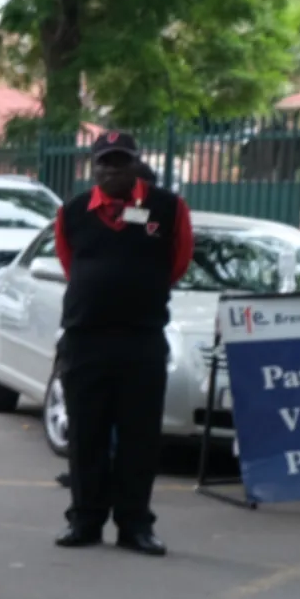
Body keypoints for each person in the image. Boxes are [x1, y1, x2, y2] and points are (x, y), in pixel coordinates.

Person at [54, 132, 192, 556]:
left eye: (121, 162)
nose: (112, 170)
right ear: (93, 168)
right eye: (104, 163)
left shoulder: (167, 208)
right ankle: (85, 521)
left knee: (139, 438)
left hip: (141, 340)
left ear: (136, 165)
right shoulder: (73, 211)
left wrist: (136, 292)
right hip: (85, 340)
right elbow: (68, 263)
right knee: (85, 436)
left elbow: (178, 261)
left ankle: (135, 525)